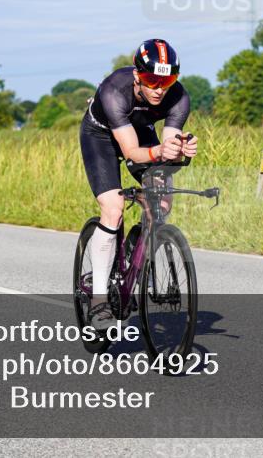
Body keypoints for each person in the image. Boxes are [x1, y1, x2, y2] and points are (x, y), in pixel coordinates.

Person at [79, 39, 198, 329]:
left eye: (166, 80)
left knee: (163, 200)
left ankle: (134, 250)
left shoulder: (178, 99)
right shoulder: (114, 91)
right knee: (113, 207)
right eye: (151, 80)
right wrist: (160, 151)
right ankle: (98, 303)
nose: (159, 89)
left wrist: (179, 150)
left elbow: (168, 144)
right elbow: (132, 152)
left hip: (141, 132)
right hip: (101, 137)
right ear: (137, 75)